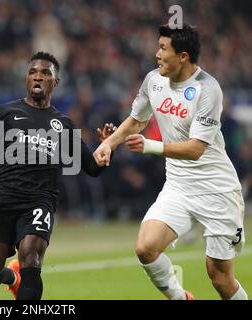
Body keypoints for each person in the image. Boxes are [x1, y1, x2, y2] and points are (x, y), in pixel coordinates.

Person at [93, 24, 248, 300]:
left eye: (163, 49)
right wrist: (109, 143)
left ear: (183, 56)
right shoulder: (153, 80)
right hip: (178, 186)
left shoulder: (208, 90)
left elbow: (196, 149)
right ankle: (181, 298)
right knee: (146, 247)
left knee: (220, 278)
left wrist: (149, 146)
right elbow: (138, 120)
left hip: (217, 191)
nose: (157, 54)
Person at [0, 52, 114, 300]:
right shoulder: (5, 112)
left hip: (38, 202)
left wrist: (107, 146)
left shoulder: (63, 124)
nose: (38, 76)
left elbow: (92, 167)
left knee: (31, 256)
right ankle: (12, 278)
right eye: (33, 72)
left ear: (55, 82)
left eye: (45, 73)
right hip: (2, 202)